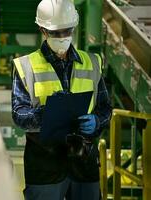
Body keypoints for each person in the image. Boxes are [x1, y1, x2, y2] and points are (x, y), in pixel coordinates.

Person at [11, 0, 112, 199]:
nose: (63, 37)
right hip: (44, 163)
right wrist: (46, 114)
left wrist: (97, 122)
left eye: (67, 31)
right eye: (56, 33)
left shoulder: (92, 62)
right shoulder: (25, 65)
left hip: (84, 162)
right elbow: (18, 114)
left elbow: (105, 108)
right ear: (43, 30)